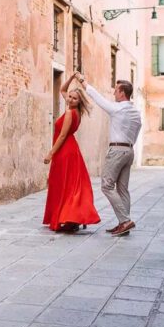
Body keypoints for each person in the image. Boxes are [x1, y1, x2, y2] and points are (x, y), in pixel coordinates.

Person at [75, 72, 142, 237]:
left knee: (106, 185)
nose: (114, 93)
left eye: (116, 90)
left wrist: (83, 81)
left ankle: (125, 220)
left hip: (117, 150)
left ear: (122, 93)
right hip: (129, 150)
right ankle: (123, 223)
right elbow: (137, 130)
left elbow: (98, 98)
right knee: (123, 189)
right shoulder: (135, 113)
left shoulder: (118, 109)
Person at [43, 73, 101, 233]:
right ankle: (71, 216)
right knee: (70, 184)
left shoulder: (70, 113)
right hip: (71, 150)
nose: (69, 99)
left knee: (65, 184)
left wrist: (50, 153)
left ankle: (70, 217)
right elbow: (62, 89)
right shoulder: (76, 112)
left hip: (65, 151)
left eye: (74, 98)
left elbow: (62, 135)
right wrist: (72, 78)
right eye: (69, 97)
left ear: (79, 101)